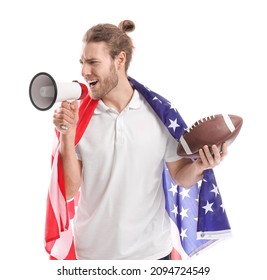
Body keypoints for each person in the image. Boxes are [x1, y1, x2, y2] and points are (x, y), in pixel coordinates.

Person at [52, 19, 228, 260]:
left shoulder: (160, 114)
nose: (84, 72)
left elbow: (181, 177)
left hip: (152, 254)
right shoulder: (81, 118)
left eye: (93, 62)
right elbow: (70, 190)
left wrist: (200, 165)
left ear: (120, 60)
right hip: (93, 257)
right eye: (83, 62)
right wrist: (67, 136)